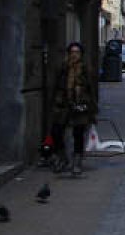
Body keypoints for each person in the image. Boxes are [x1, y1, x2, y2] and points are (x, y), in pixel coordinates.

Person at [50, 41, 97, 176]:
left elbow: (91, 89)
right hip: (64, 105)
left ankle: (77, 161)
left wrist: (92, 109)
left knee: (78, 134)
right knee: (56, 131)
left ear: (81, 54)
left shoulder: (85, 69)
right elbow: (56, 85)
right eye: (72, 52)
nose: (74, 55)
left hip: (80, 105)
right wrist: (55, 101)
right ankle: (63, 157)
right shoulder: (63, 68)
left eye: (77, 52)